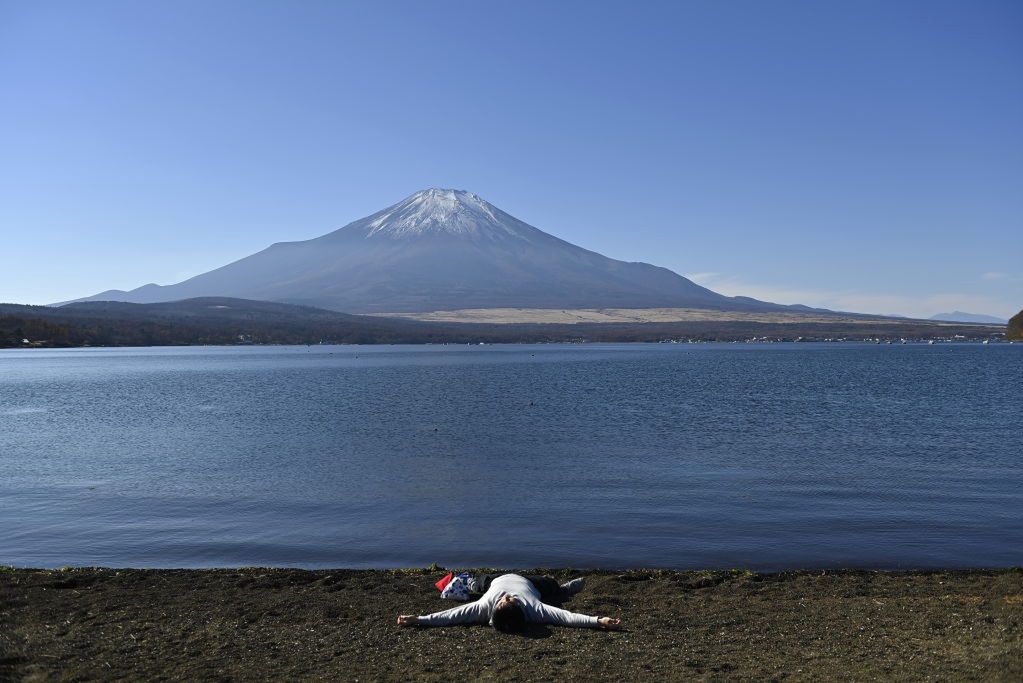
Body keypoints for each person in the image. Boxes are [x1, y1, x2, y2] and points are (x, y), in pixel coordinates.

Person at [396, 573, 623, 632]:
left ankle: (473, 582)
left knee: (478, 584)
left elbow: (452, 615)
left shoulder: (484, 608)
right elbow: (566, 617)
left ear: (495, 608)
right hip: (529, 582)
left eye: (504, 600)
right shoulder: (535, 610)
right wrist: (598, 620)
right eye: (509, 599)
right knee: (550, 585)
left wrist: (419, 619)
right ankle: (563, 589)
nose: (507, 596)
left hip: (495, 581)